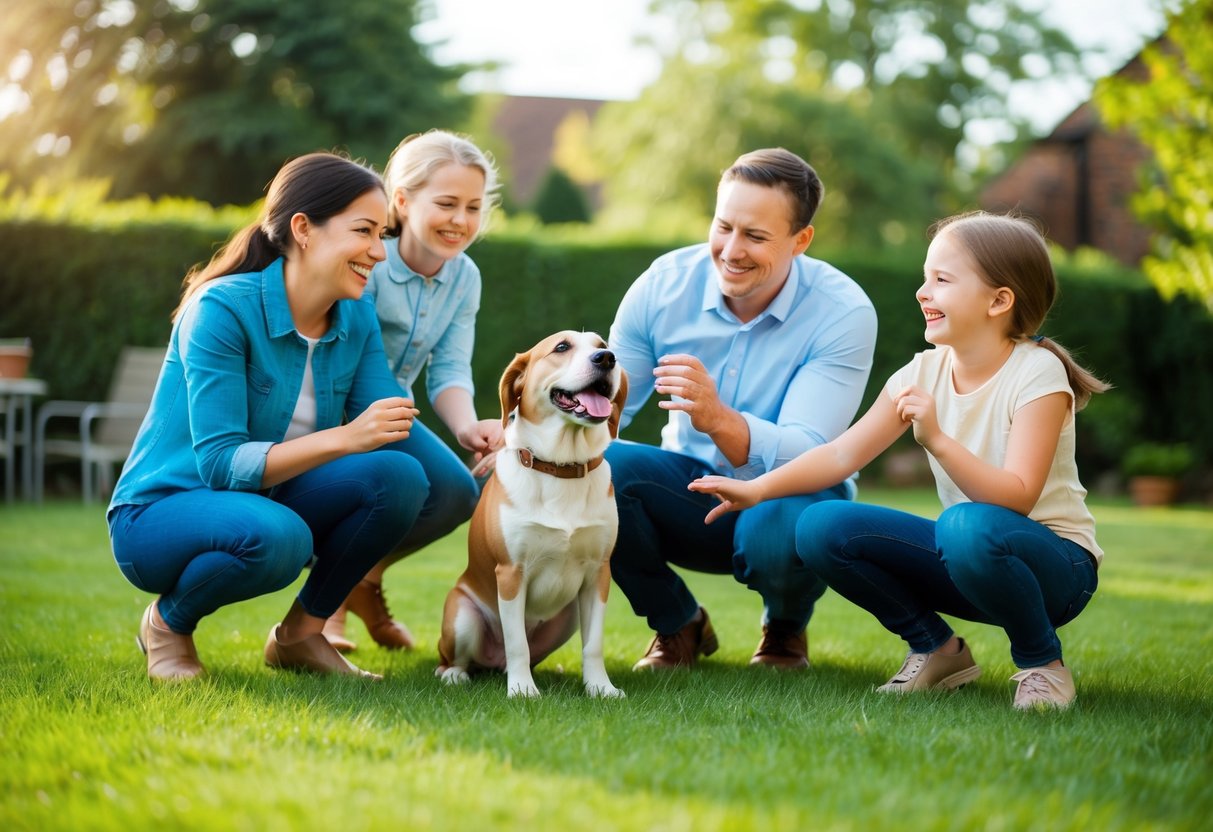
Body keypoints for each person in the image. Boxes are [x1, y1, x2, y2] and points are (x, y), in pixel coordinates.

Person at [690, 211, 1107, 709]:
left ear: (999, 300)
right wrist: (757, 490)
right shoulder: (921, 372)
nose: (922, 292)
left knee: (964, 525)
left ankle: (1043, 665)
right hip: (967, 555)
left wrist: (937, 440)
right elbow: (843, 452)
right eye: (924, 277)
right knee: (820, 525)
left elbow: (1016, 497)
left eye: (942, 280)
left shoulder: (1037, 374)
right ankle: (937, 649)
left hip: (1056, 570)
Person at [108, 152, 429, 681]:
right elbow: (219, 463)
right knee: (281, 537)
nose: (379, 252)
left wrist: (509, 444)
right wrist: (347, 438)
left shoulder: (357, 316)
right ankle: (166, 623)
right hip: (160, 511)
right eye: (364, 232)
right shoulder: (221, 308)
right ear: (303, 228)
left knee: (401, 478)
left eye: (383, 235)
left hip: (268, 500)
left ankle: (302, 636)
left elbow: (389, 423)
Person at [606, 147, 878, 671]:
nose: (731, 251)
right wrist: (531, 434)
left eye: (754, 236)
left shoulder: (843, 312)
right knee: (602, 469)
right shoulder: (663, 285)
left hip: (787, 498)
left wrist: (718, 419)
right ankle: (676, 621)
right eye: (723, 226)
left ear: (801, 241)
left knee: (781, 523)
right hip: (688, 493)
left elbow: (807, 449)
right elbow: (607, 404)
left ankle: (784, 628)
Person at [322, 130, 502, 653]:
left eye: (473, 207)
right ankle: (328, 608)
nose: (460, 220)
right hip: (339, 409)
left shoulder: (465, 277)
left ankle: (362, 582)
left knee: (454, 494)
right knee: (373, 491)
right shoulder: (369, 260)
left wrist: (468, 426)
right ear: (401, 200)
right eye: (445, 203)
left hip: (393, 411)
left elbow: (448, 368)